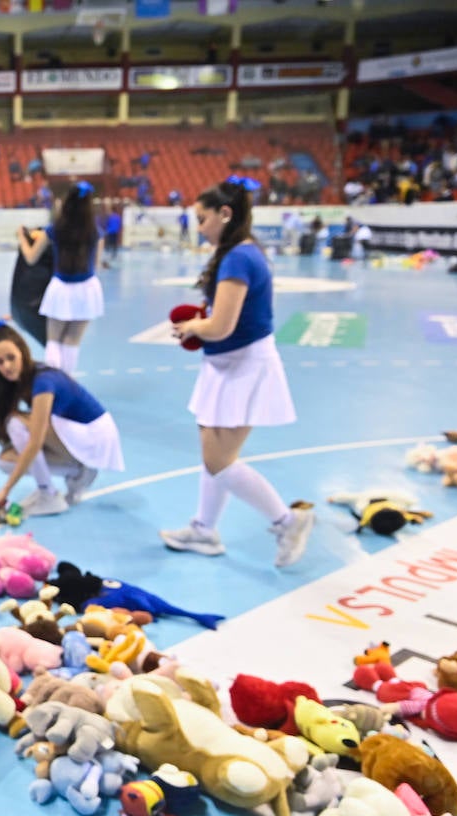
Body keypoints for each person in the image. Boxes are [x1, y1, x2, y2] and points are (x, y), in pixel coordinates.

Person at [162, 177, 314, 568]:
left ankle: (287, 521)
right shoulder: (241, 253)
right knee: (211, 454)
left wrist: (193, 327)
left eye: (202, 219)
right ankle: (204, 528)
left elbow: (222, 326)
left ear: (224, 214)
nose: (199, 228)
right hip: (226, 364)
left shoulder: (238, 259)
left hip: (242, 366)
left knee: (220, 461)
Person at [0, 321, 121, 517]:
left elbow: (35, 441)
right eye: (0, 362)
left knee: (14, 423)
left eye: (11, 358)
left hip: (94, 435)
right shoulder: (16, 380)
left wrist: (5, 491)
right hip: (72, 436)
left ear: (23, 352)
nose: (7, 366)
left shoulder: (42, 382)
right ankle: (77, 471)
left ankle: (48, 494)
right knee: (6, 461)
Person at [19, 180, 104, 373]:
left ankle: (54, 384)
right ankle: (68, 382)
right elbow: (96, 265)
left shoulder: (54, 229)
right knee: (72, 341)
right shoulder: (95, 232)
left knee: (54, 340)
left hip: (61, 288)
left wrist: (22, 239)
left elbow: (31, 258)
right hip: (87, 288)